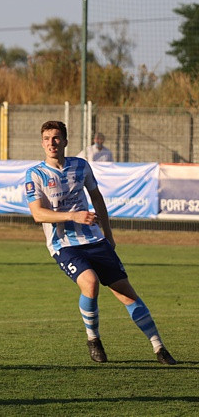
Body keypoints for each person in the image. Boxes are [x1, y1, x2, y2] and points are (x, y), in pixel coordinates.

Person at [25, 120, 176, 365]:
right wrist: (72, 216)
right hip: (63, 243)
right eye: (46, 139)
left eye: (55, 138)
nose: (51, 143)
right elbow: (38, 214)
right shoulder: (35, 174)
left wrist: (108, 233)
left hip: (94, 239)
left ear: (65, 141)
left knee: (127, 294)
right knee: (91, 283)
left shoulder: (80, 166)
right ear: (41, 143)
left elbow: (97, 198)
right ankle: (93, 338)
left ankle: (158, 346)